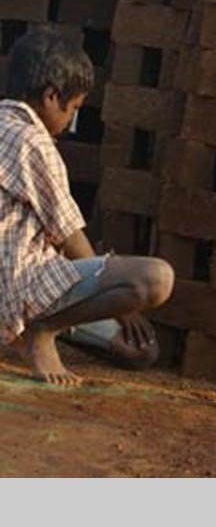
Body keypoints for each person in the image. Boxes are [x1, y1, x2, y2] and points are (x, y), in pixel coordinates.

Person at [0, 27, 174, 386]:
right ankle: (42, 332)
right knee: (155, 279)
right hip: (16, 289)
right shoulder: (33, 141)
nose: (70, 123)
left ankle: (34, 329)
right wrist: (121, 301)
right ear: (51, 96)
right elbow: (71, 239)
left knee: (138, 351)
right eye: (75, 109)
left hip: (18, 289)